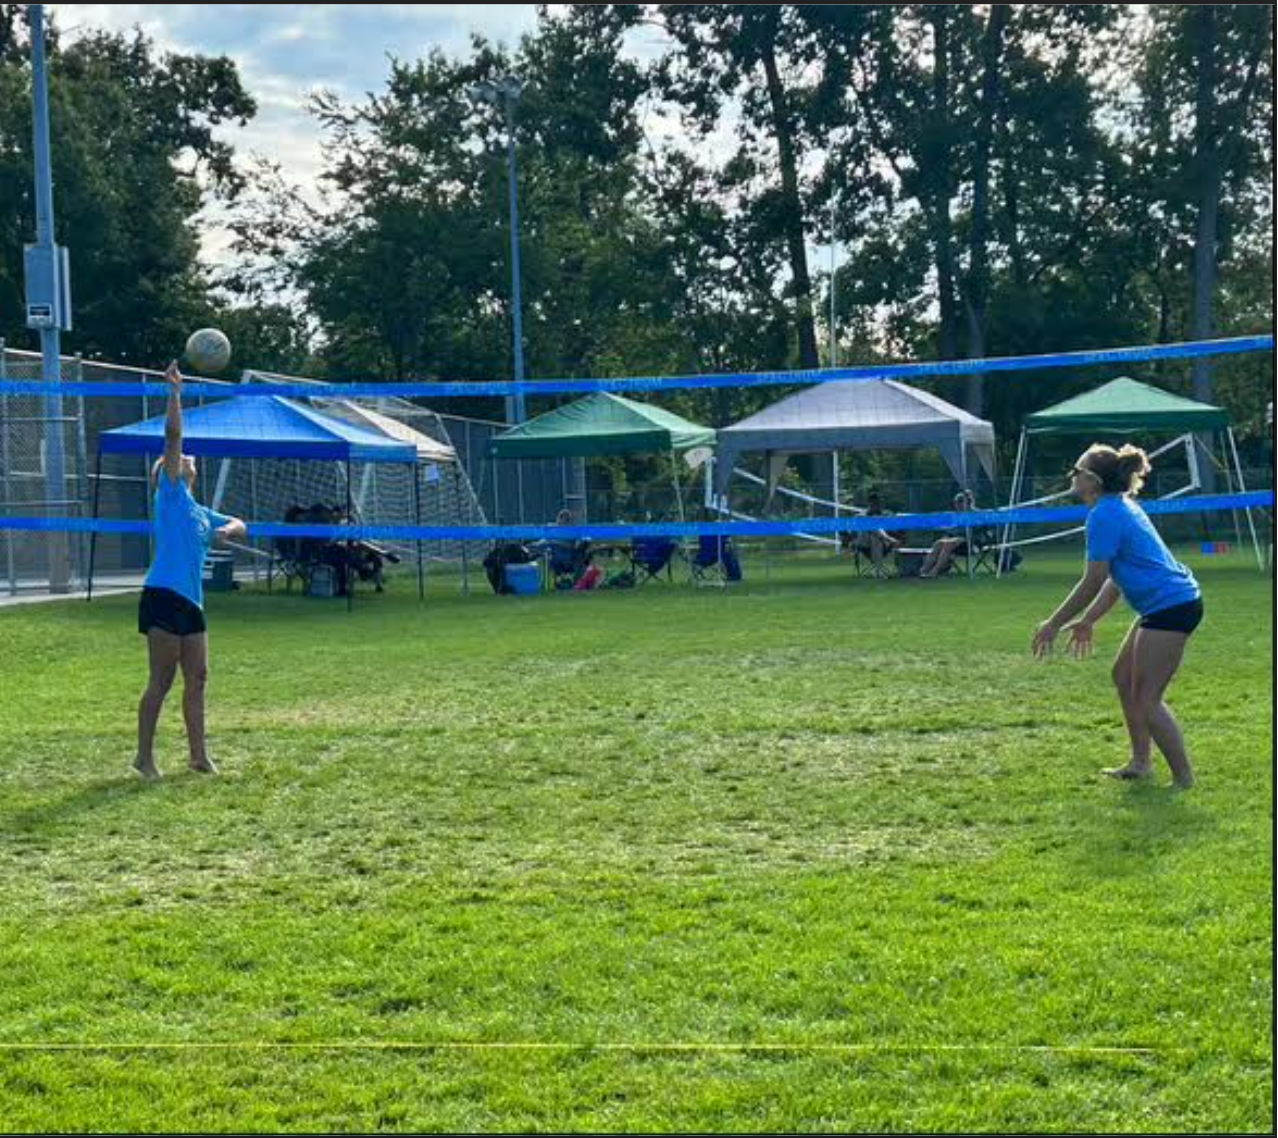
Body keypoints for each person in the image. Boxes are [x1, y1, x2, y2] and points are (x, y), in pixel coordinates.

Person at [1031, 444, 1202, 789]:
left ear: (1092, 480)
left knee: (1147, 700)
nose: (1072, 477)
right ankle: (1140, 763)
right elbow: (1114, 579)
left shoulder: (1105, 515)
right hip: (1165, 604)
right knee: (1123, 678)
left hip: (1171, 606)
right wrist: (1088, 620)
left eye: (1077, 472)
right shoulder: (1116, 507)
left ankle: (1184, 779)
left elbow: (1093, 580)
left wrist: (1052, 624)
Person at [134, 362, 246, 779]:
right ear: (169, 472)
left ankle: (198, 756)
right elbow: (173, 436)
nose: (185, 458)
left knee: (197, 677)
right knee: (161, 682)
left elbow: (240, 522)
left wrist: (228, 531)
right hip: (163, 595)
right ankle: (144, 758)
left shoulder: (199, 511)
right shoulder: (171, 495)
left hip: (191, 602)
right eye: (178, 459)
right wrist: (175, 394)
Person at [918, 490, 974, 578]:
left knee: (948, 544)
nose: (957, 505)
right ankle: (923, 570)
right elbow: (951, 530)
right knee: (938, 543)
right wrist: (945, 529)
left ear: (966, 503)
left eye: (960, 502)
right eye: (956, 503)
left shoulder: (974, 514)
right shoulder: (955, 515)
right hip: (954, 539)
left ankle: (934, 571)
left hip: (969, 542)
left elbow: (972, 532)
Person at [848, 490, 900, 573]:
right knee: (872, 527)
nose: (875, 505)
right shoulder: (860, 515)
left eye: (877, 503)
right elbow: (853, 532)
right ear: (869, 504)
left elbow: (895, 529)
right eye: (873, 503)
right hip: (864, 542)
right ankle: (878, 568)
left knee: (876, 538)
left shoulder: (887, 514)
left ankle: (877, 569)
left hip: (883, 543)